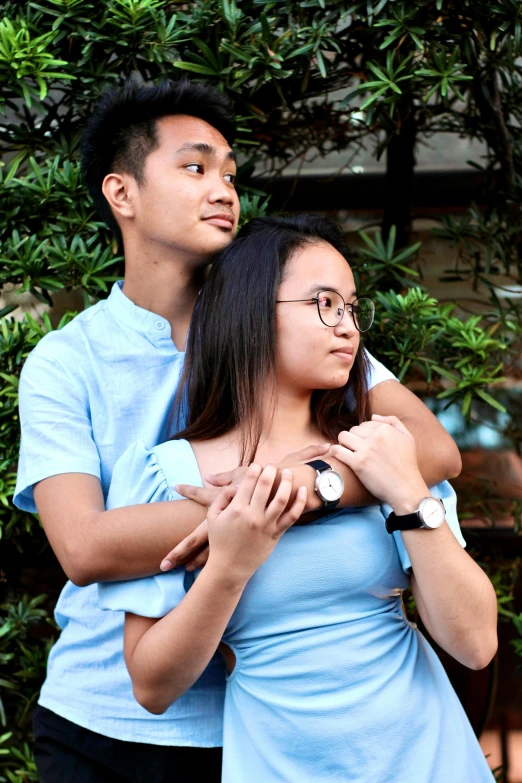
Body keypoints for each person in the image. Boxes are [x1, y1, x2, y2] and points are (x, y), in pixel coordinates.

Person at [14, 78, 461, 783]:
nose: (223, 187)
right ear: (122, 194)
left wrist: (300, 486)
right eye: (194, 168)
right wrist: (254, 516)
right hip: (105, 716)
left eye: (229, 172)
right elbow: (86, 546)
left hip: (263, 721)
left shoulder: (284, 321)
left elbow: (430, 448)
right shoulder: (67, 360)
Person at [100, 215, 498, 783]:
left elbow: (477, 644)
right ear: (252, 312)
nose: (348, 327)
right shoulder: (164, 472)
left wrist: (408, 491)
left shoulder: (377, 447)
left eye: (353, 309)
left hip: (429, 757)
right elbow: (152, 687)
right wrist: (230, 566)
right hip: (279, 766)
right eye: (325, 304)